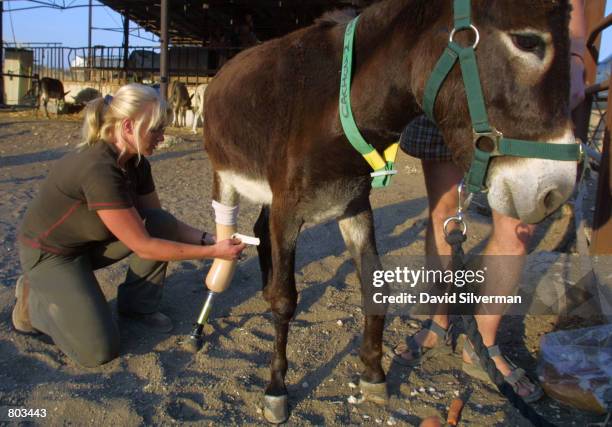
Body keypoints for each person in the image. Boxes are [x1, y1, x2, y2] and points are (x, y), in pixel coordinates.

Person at [389, 0, 586, 403]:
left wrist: (577, 57)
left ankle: (483, 343)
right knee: (444, 211)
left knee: (518, 224)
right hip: (455, 71)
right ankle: (439, 319)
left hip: (520, 84)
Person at [12, 83, 246, 368]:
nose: (163, 137)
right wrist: (214, 254)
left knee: (159, 223)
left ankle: (137, 307)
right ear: (127, 127)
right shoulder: (98, 169)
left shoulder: (136, 163)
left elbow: (159, 223)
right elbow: (144, 247)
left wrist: (209, 239)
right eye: (157, 129)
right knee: (98, 351)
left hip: (88, 244)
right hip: (50, 254)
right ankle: (30, 302)